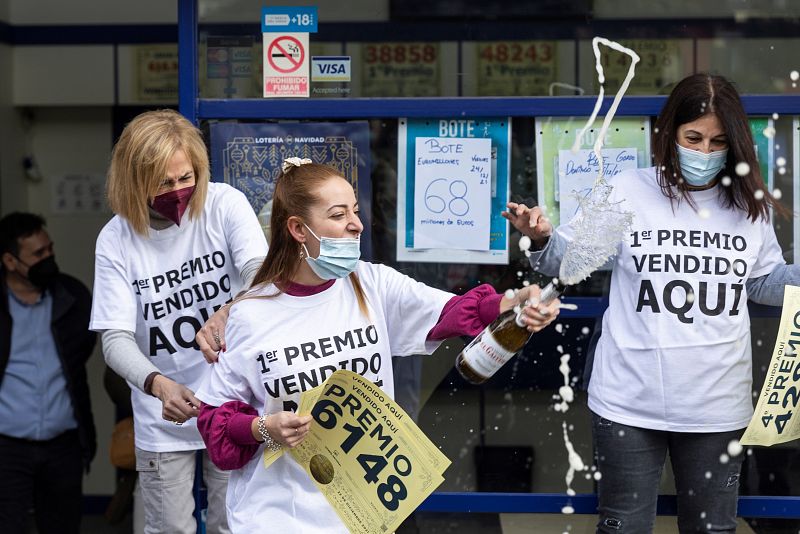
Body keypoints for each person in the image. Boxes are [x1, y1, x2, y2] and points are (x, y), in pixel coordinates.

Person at [192, 160, 561, 533]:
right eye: (338, 215)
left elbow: (452, 312)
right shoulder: (251, 314)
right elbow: (215, 423)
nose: (357, 223)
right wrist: (265, 428)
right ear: (298, 229)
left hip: (367, 516)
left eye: (355, 210)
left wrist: (517, 301)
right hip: (281, 518)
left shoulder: (372, 284)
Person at [505, 73, 798, 533]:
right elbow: (572, 263)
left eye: (718, 141)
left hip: (717, 405)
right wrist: (541, 237)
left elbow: (763, 282)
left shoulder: (746, 207)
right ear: (670, 135)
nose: (704, 152)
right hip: (628, 400)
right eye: (693, 138)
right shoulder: (629, 191)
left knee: (712, 529)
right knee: (623, 525)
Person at [90, 109, 268, 534]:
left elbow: (261, 274)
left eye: (185, 178)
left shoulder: (223, 203)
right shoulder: (116, 239)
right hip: (162, 414)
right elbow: (114, 338)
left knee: (236, 525)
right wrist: (156, 384)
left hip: (233, 401)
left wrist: (228, 310)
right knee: (169, 528)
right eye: (163, 183)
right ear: (134, 181)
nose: (177, 191)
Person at [0, 212, 96, 534]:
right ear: (10, 261)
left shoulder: (73, 297)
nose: (48, 259)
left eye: (49, 250)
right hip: (7, 448)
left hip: (63, 446)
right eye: (38, 255)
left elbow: (82, 353)